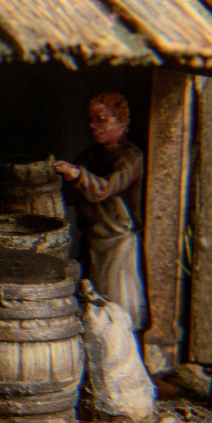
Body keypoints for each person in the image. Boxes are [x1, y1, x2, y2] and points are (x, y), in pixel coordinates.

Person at [54, 91, 148, 333]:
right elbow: (75, 194)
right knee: (90, 301)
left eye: (102, 118)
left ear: (121, 120)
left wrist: (76, 175)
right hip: (92, 238)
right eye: (90, 120)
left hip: (117, 241)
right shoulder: (91, 155)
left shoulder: (131, 157)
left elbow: (102, 190)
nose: (93, 125)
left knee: (117, 307)